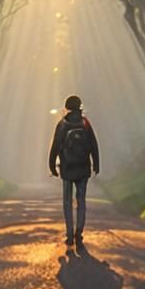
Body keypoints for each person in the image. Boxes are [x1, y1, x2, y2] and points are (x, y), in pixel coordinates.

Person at [48, 94, 100, 248]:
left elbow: (55, 146)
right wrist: (96, 164)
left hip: (67, 169)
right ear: (80, 106)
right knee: (81, 201)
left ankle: (69, 234)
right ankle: (79, 232)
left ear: (67, 107)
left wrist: (52, 165)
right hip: (83, 168)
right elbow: (93, 144)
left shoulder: (63, 124)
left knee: (67, 202)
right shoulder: (85, 123)